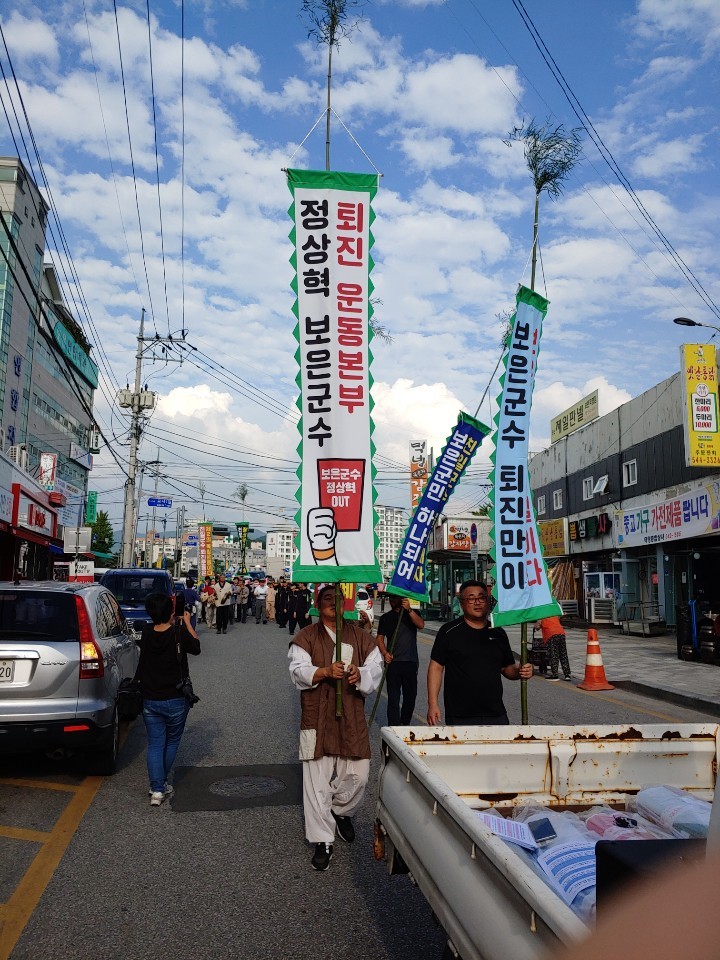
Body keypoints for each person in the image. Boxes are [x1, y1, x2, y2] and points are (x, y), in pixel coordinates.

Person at [288, 584, 383, 871]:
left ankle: (342, 811)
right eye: (327, 598)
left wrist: (359, 673)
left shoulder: (361, 636)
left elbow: (375, 668)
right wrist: (323, 672)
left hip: (351, 714)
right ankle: (322, 839)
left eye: (337, 598)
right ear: (318, 604)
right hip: (316, 716)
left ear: (345, 604)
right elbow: (297, 670)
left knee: (359, 774)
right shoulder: (305, 637)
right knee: (315, 782)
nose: (332, 602)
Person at [427, 580, 533, 725]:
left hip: (496, 714)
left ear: (488, 601)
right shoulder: (448, 631)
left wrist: (521, 670)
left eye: (481, 597)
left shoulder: (498, 633)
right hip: (460, 715)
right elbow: (436, 667)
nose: (477, 602)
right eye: (471, 598)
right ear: (462, 603)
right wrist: (433, 704)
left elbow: (507, 668)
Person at [136, 592, 200, 805]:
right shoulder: (178, 632)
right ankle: (161, 783)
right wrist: (187, 622)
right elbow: (196, 647)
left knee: (155, 743)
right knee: (171, 741)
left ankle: (156, 789)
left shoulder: (146, 631)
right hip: (175, 697)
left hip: (150, 697)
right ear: (171, 612)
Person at [376, 595, 425, 725]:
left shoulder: (413, 613)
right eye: (390, 598)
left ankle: (405, 722)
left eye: (394, 598)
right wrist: (384, 653)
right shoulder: (386, 618)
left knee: (410, 696)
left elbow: (421, 625)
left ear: (402, 598)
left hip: (410, 661)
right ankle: (393, 726)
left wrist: (409, 610)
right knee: (393, 699)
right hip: (393, 663)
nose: (391, 600)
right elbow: (379, 638)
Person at [538, 615, 571, 681]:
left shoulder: (541, 616)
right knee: (563, 654)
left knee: (554, 654)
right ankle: (567, 675)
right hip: (561, 633)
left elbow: (537, 626)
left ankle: (555, 675)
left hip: (552, 635)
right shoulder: (553, 613)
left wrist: (537, 626)